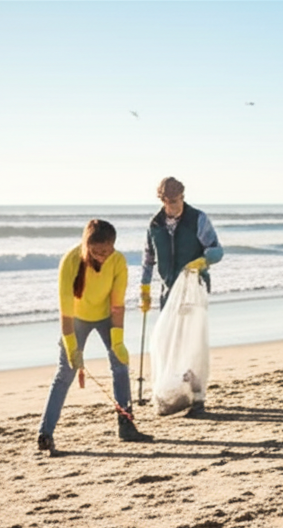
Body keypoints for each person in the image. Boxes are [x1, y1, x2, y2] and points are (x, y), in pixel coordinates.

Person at [37, 219, 153, 453]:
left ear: (113, 246)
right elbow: (66, 309)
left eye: (106, 251)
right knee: (65, 373)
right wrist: (71, 345)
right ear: (86, 245)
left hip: (105, 317)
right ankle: (45, 433)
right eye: (97, 251)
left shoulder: (118, 261)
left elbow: (117, 305)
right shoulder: (71, 260)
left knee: (120, 365)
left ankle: (126, 425)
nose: (102, 256)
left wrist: (117, 341)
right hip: (76, 319)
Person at [140, 177, 224, 417]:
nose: (171, 206)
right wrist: (144, 288)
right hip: (168, 291)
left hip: (194, 287)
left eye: (174, 201)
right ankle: (177, 392)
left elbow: (217, 250)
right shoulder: (155, 225)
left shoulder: (198, 219)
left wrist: (203, 261)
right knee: (169, 342)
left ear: (182, 197)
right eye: (166, 201)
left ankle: (198, 399)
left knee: (193, 343)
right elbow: (148, 258)